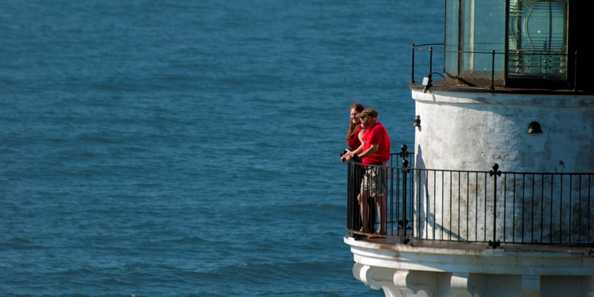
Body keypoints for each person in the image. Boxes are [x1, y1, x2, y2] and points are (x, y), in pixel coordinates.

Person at [343, 107, 390, 234]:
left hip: (377, 167)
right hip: (369, 168)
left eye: (364, 118)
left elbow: (374, 148)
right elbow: (364, 144)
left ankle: (382, 229)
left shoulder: (377, 129)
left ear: (372, 117)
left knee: (379, 199)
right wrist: (352, 153)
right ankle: (365, 227)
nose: (361, 120)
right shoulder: (369, 130)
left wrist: (360, 156)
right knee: (361, 197)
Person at [342, 103, 365, 231]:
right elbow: (353, 146)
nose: (353, 116)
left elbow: (363, 145)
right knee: (355, 194)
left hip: (359, 164)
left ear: (361, 114)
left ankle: (360, 225)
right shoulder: (354, 127)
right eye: (351, 114)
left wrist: (352, 154)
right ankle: (356, 224)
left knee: (359, 195)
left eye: (355, 113)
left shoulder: (361, 128)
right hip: (354, 163)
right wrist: (347, 153)